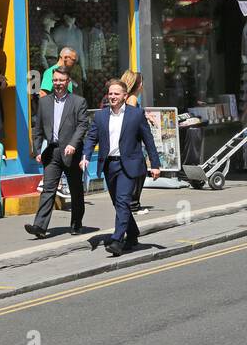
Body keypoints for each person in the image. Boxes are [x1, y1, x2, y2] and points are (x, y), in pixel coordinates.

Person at [84, 79, 161, 257]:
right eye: (110, 93)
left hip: (129, 164)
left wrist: (155, 165)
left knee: (122, 201)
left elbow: (148, 141)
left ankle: (117, 240)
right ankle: (132, 233)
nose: (112, 96)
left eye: (116, 94)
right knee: (118, 203)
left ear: (125, 96)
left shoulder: (136, 114)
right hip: (109, 164)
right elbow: (91, 138)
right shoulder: (101, 116)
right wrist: (85, 156)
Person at [25, 67, 90, 240]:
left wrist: (73, 144)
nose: (58, 84)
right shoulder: (44, 102)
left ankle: (76, 223)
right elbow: (38, 128)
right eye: (55, 80)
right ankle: (39, 226)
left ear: (68, 82)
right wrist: (38, 150)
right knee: (48, 189)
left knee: (76, 190)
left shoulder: (78, 102)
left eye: (61, 81)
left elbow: (83, 126)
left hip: (71, 153)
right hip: (51, 152)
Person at [120, 70, 148, 211]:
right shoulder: (132, 99)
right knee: (139, 171)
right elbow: (131, 119)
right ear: (139, 85)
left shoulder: (128, 99)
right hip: (131, 143)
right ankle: (133, 205)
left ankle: (132, 204)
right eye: (142, 82)